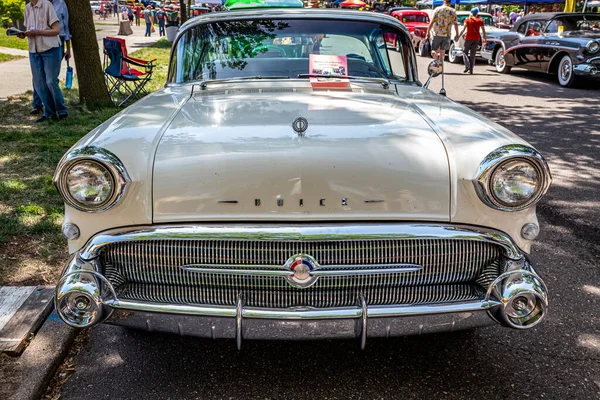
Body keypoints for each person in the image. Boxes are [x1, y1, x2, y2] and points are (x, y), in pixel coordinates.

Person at [18, 0, 67, 122]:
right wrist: (23, 34)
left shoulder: (47, 5)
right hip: (34, 50)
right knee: (39, 83)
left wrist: (37, 32)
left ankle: (61, 111)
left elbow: (56, 30)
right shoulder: (27, 8)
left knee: (50, 81)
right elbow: (30, 28)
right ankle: (49, 113)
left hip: (50, 49)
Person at [31, 0, 71, 116]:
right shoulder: (37, 4)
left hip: (58, 42)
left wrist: (68, 48)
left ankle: (58, 109)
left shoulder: (60, 3)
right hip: (40, 42)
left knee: (51, 78)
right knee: (38, 78)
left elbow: (66, 26)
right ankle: (38, 104)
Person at [456, 7, 486, 74]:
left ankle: (468, 66)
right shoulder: (480, 20)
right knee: (473, 54)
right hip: (476, 38)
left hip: (468, 38)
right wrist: (485, 38)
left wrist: (458, 36)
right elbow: (483, 31)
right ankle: (470, 69)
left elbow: (463, 29)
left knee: (465, 52)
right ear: (477, 13)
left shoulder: (467, 20)